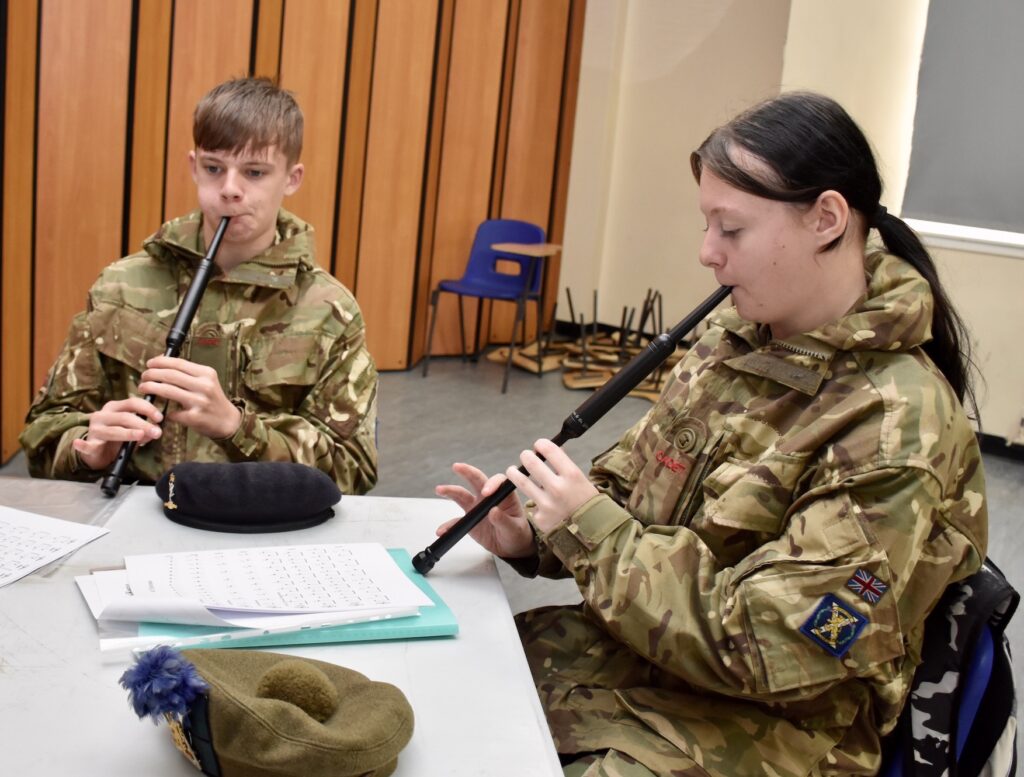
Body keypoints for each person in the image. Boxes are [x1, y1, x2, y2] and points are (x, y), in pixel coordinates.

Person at [435, 92, 986, 776]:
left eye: (731, 230)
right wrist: (537, 530)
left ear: (826, 218)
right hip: (637, 663)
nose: (706, 254)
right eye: (707, 225)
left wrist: (591, 526)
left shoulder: (895, 423)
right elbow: (626, 484)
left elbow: (771, 644)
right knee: (424, 695)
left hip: (772, 727)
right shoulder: (733, 349)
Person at [21, 77, 377, 495]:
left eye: (254, 172)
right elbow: (42, 436)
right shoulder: (121, 284)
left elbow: (353, 471)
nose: (229, 189)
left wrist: (238, 426)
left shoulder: (330, 308)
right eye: (213, 168)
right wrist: (87, 449)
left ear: (292, 178)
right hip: (138, 518)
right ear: (193, 166)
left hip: (265, 530)